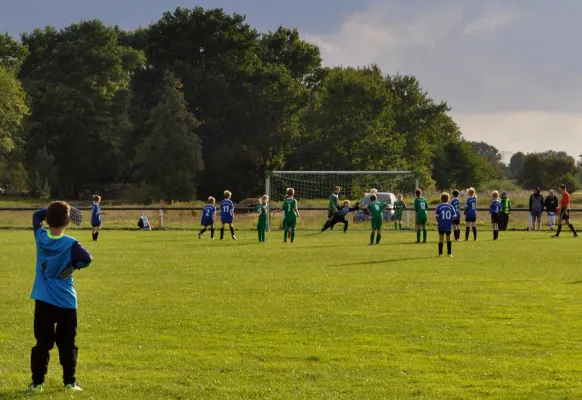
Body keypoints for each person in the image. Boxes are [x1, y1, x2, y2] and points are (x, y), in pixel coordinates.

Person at [27, 202, 92, 393]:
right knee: (67, 344)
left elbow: (36, 216)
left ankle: (37, 384)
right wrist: (73, 267)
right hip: (66, 302)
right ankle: (70, 382)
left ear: (48, 220)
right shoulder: (71, 244)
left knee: (42, 344)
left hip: (43, 300)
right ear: (68, 221)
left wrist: (52, 212)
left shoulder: (40, 237)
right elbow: (87, 259)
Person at [435, 192, 456, 257]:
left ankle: (440, 253)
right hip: (448, 225)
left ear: (441, 199)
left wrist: (439, 222)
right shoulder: (451, 206)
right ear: (448, 199)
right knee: (448, 239)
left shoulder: (439, 206)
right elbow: (454, 216)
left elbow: (436, 216)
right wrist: (450, 221)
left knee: (441, 239)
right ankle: (449, 253)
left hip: (441, 225)